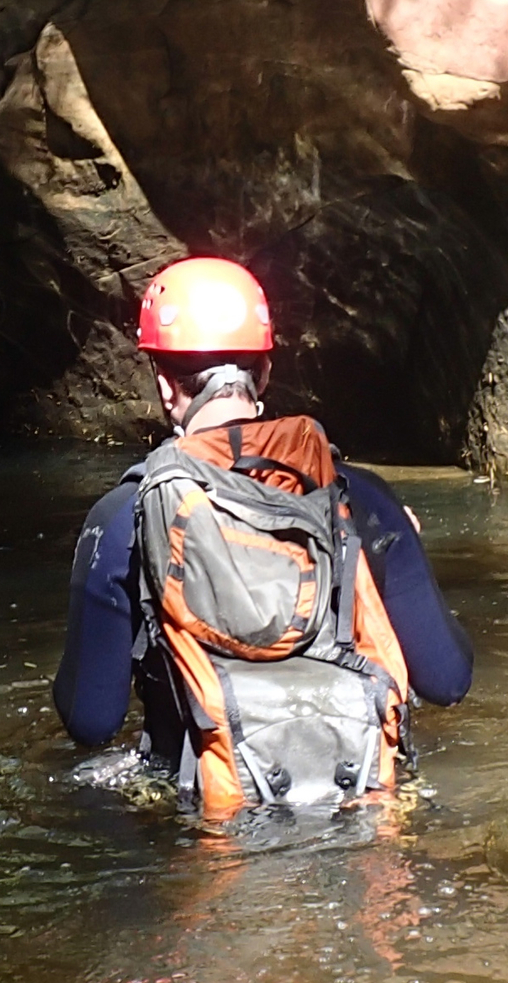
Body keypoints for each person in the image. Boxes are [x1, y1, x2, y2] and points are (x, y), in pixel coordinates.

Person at [53, 257, 473, 817]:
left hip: (211, 816)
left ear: (161, 383)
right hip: (358, 801)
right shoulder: (359, 498)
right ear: (266, 372)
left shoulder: (122, 516)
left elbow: (91, 721)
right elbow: (448, 680)